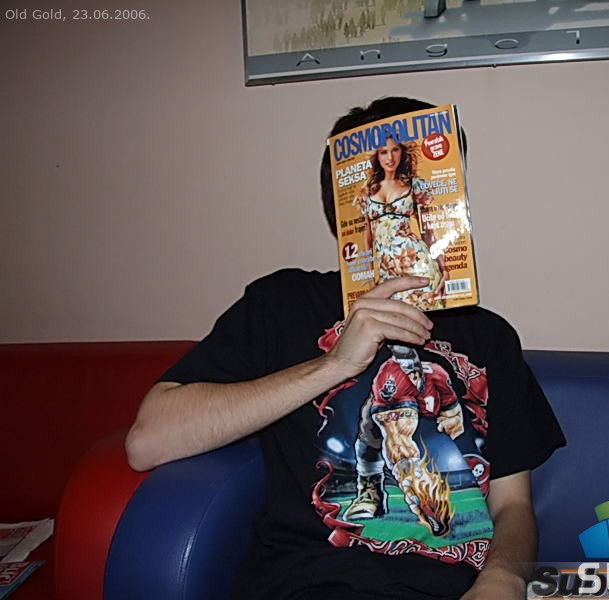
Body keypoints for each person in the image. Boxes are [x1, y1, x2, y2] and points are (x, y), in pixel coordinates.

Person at [125, 96, 565, 600]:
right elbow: (148, 441)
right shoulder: (282, 302)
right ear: (343, 206)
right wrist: (335, 364)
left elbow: (513, 506)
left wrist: (504, 580)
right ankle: (370, 495)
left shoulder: (487, 334)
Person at [356, 135, 447, 310]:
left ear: (402, 152)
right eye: (384, 152)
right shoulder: (366, 192)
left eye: (395, 150)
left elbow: (428, 230)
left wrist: (444, 269)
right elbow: (367, 237)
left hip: (417, 263)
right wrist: (369, 277)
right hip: (386, 272)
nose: (390, 157)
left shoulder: (415, 185)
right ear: (377, 156)